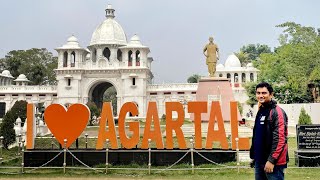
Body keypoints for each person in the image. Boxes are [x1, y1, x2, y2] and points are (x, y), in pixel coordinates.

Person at [250, 82, 289, 180]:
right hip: (260, 161)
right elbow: (258, 135)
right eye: (258, 93)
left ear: (271, 94)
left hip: (273, 163)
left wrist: (271, 160)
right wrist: (254, 156)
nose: (261, 96)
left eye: (264, 93)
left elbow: (280, 139)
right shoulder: (261, 110)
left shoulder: (277, 112)